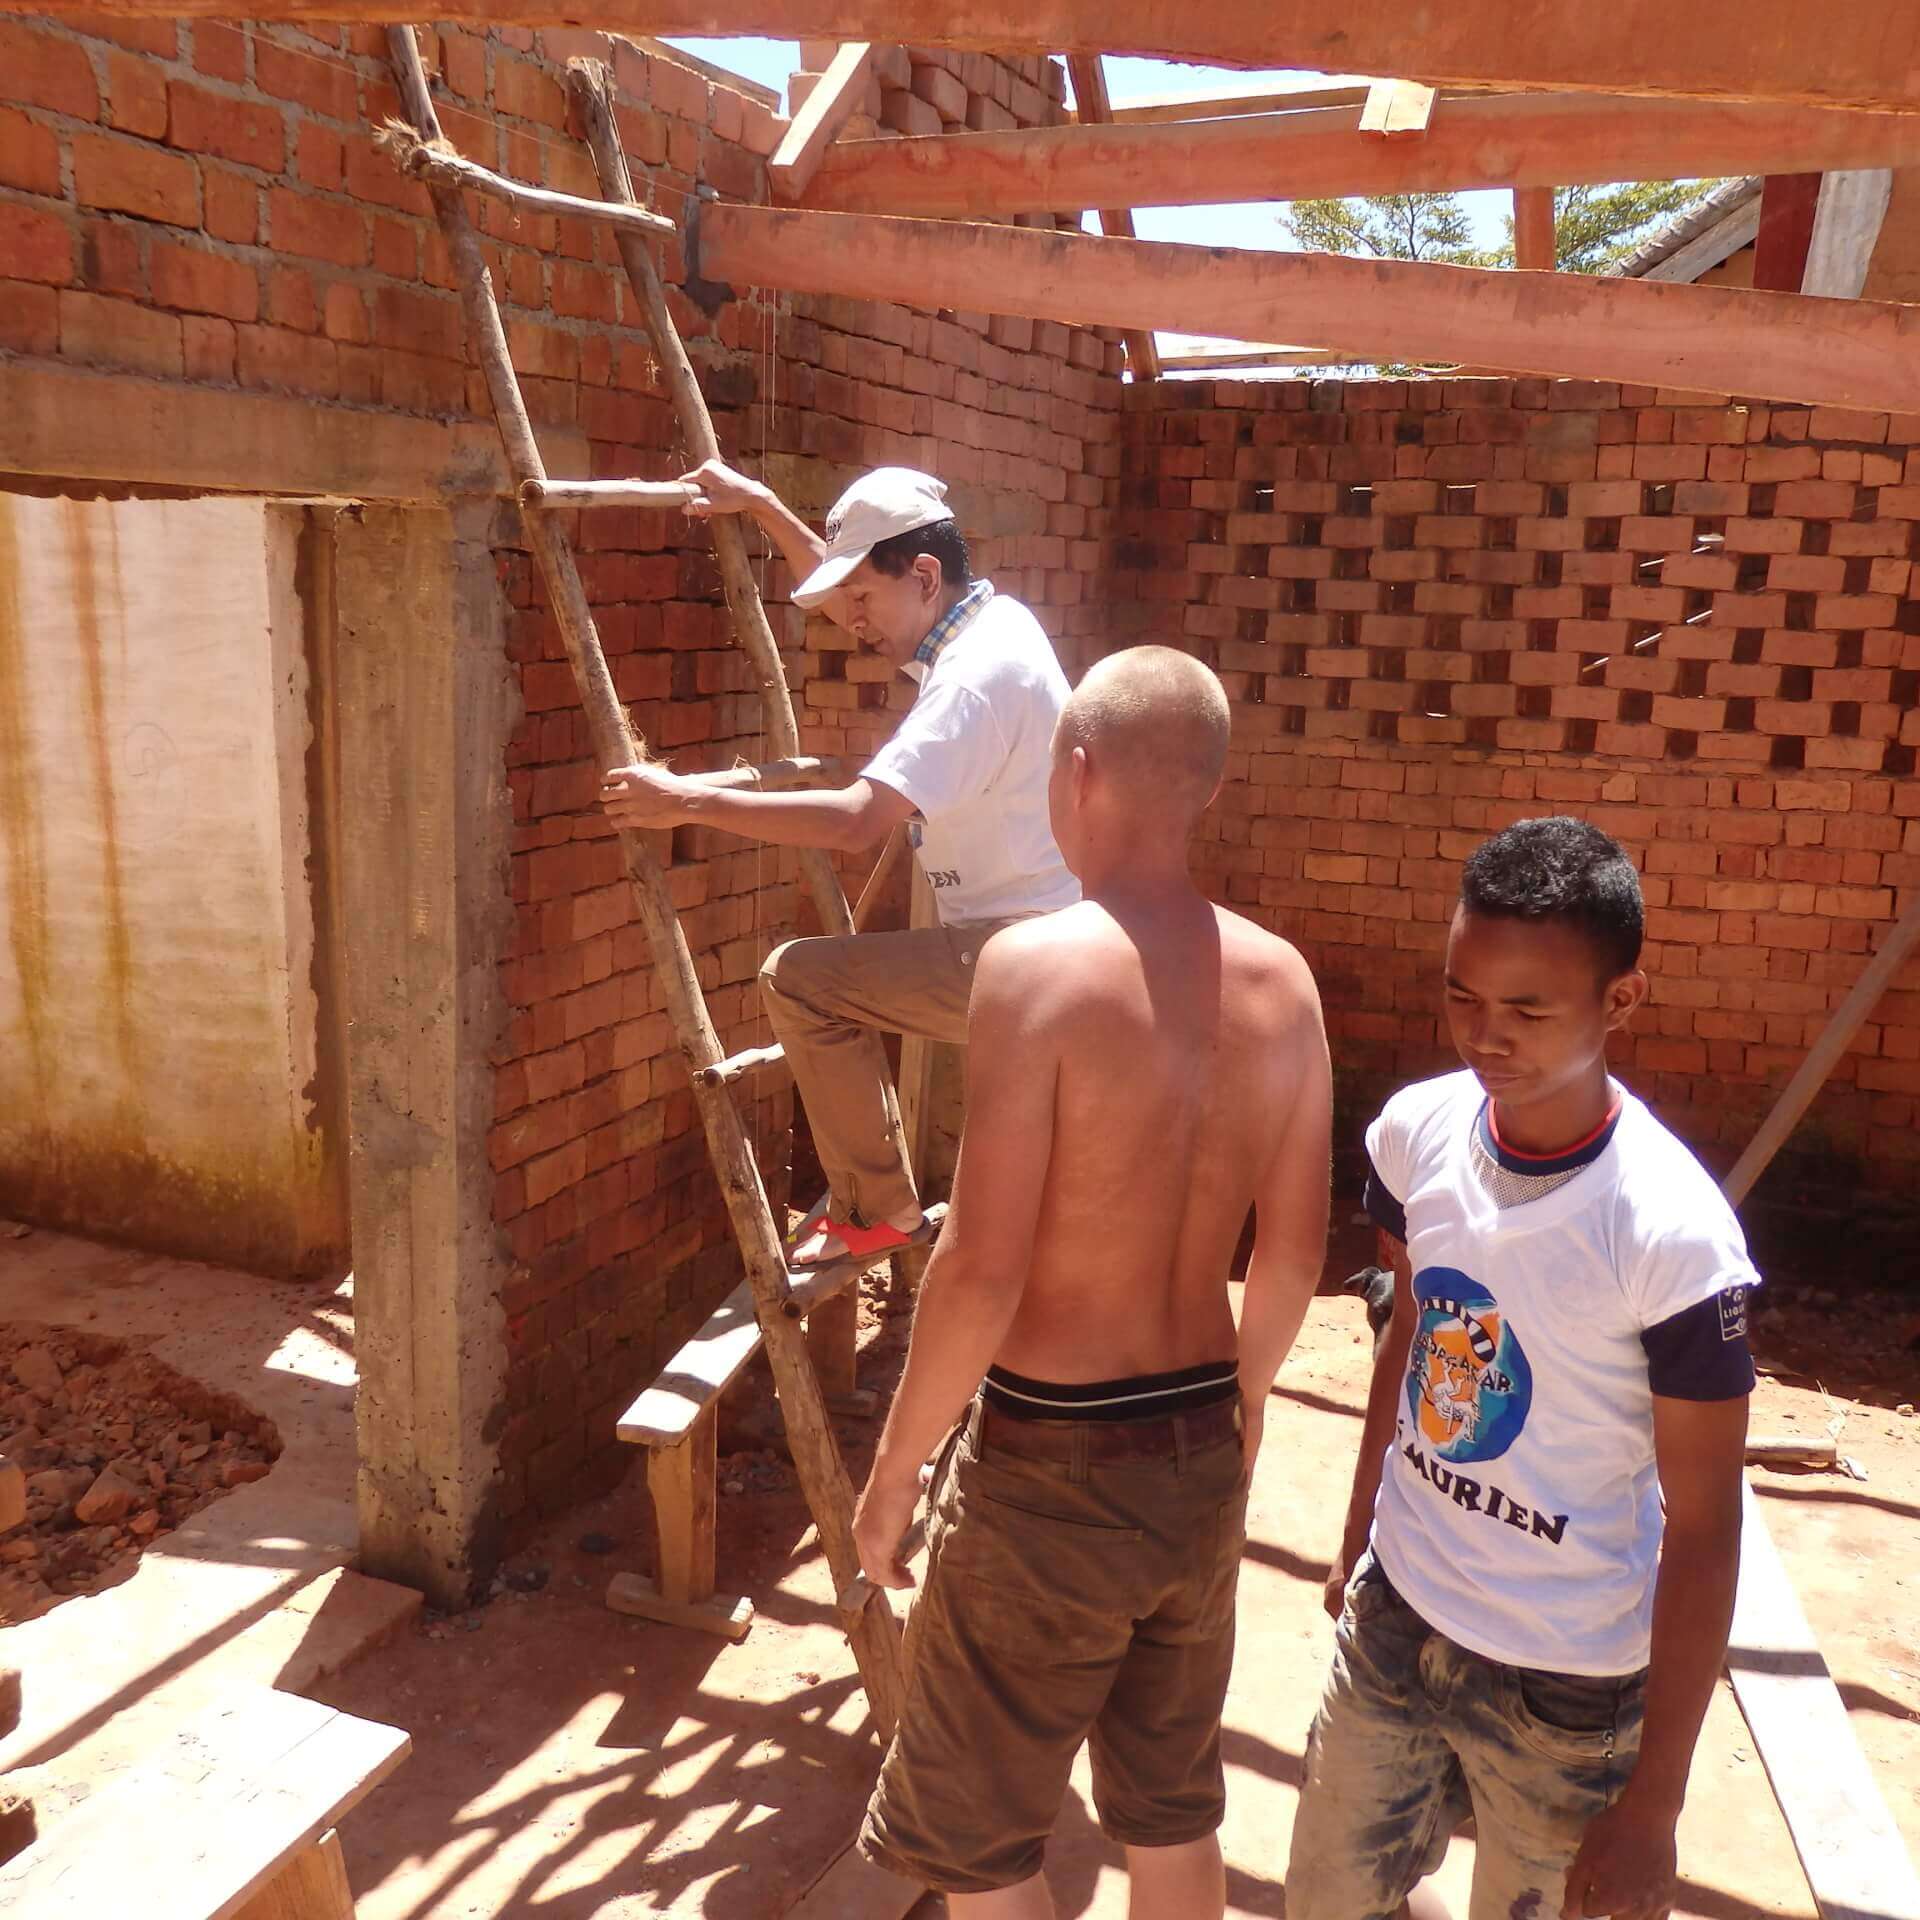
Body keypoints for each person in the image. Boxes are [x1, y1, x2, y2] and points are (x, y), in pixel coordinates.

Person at [848, 646, 1333, 1919]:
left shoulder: (1037, 968)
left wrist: (896, 1473)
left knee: (983, 1839)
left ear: (1076, 772)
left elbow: (982, 1269)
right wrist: (1253, 1397)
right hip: (1195, 1455)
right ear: (1207, 791)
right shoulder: (1286, 983)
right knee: (1172, 1809)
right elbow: (1291, 1251)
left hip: (1049, 1466)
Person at [1288, 818, 1759, 1920]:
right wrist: (1362, 1524)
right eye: (1463, 997)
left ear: (1621, 1002)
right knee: (1324, 1899)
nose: (1485, 1037)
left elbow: (1703, 1525)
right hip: (1400, 1617)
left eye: (1529, 1010)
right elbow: (1409, 1332)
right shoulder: (1417, 1136)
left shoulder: (1672, 1237)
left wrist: (1654, 1804)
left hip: (1570, 1689)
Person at [600, 458, 1079, 1267]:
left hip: (1024, 955)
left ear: (924, 575)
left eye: (864, 599)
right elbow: (838, 587)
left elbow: (858, 823)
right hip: (1052, 934)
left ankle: (877, 1208)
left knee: (801, 980)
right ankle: (894, 1210)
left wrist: (686, 802)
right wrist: (760, 506)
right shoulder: (991, 622)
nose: (850, 620)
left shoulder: (970, 679)